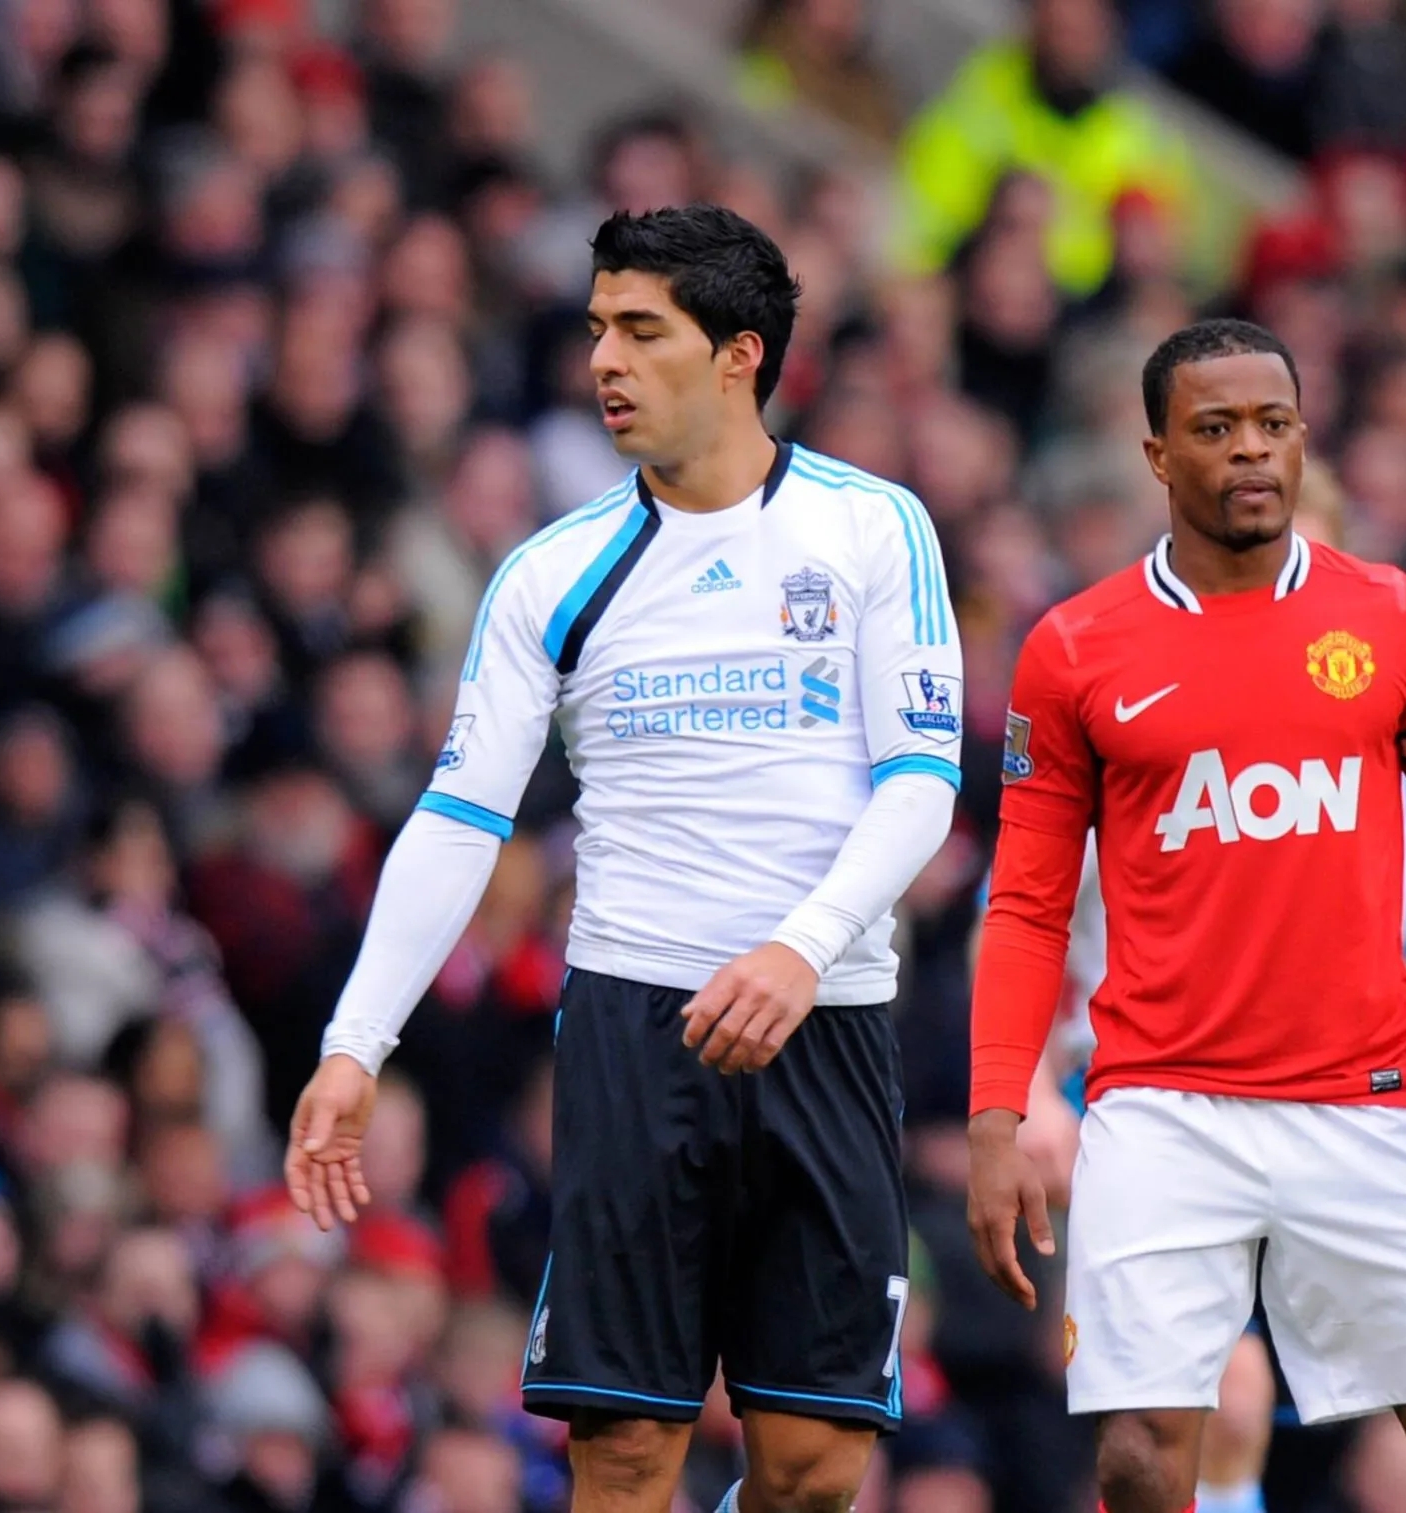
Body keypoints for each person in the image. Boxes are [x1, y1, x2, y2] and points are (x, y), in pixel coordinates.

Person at [283, 205, 964, 1513]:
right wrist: (356, 1041)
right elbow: (459, 817)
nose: (604, 359)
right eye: (597, 329)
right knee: (630, 1449)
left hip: (828, 1017)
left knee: (816, 1468)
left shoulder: (874, 529)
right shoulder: (553, 571)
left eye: (642, 331)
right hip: (635, 1025)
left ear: (739, 355)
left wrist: (800, 946)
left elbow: (921, 782)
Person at [967, 319, 1406, 1513]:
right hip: (1159, 1107)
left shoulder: (1396, 620)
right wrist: (998, 1113)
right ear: (1157, 454)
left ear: (1303, 437)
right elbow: (1025, 902)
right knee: (1141, 1458)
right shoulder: (1074, 650)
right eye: (1214, 429)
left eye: (1272, 425)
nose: (1249, 452)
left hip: (1365, 1103)